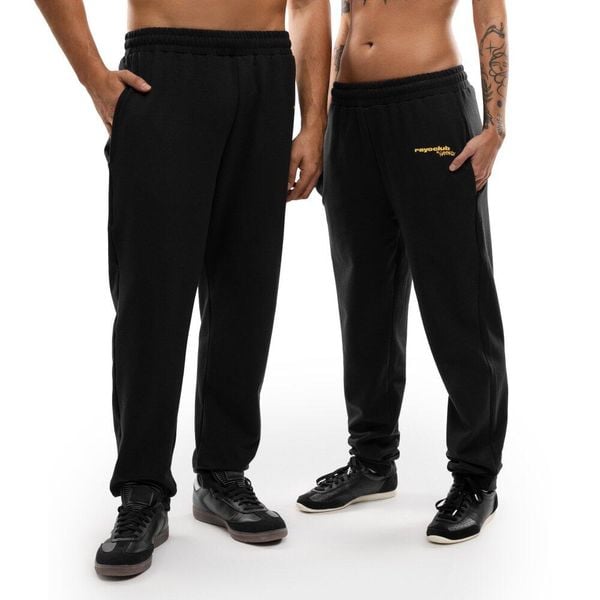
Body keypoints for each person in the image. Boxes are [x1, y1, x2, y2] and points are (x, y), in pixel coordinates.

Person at [35, 0, 330, 576]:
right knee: (152, 295)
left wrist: (314, 122)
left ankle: (223, 473)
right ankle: (142, 490)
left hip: (266, 68)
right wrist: (95, 78)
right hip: (165, 66)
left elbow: (308, 4)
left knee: (247, 289)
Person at [297, 0, 509, 545]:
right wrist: (323, 122)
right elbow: (343, 18)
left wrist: (495, 125)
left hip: (428, 101)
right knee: (363, 295)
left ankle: (476, 478)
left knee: (457, 298)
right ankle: (372, 461)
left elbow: (490, 11)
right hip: (350, 114)